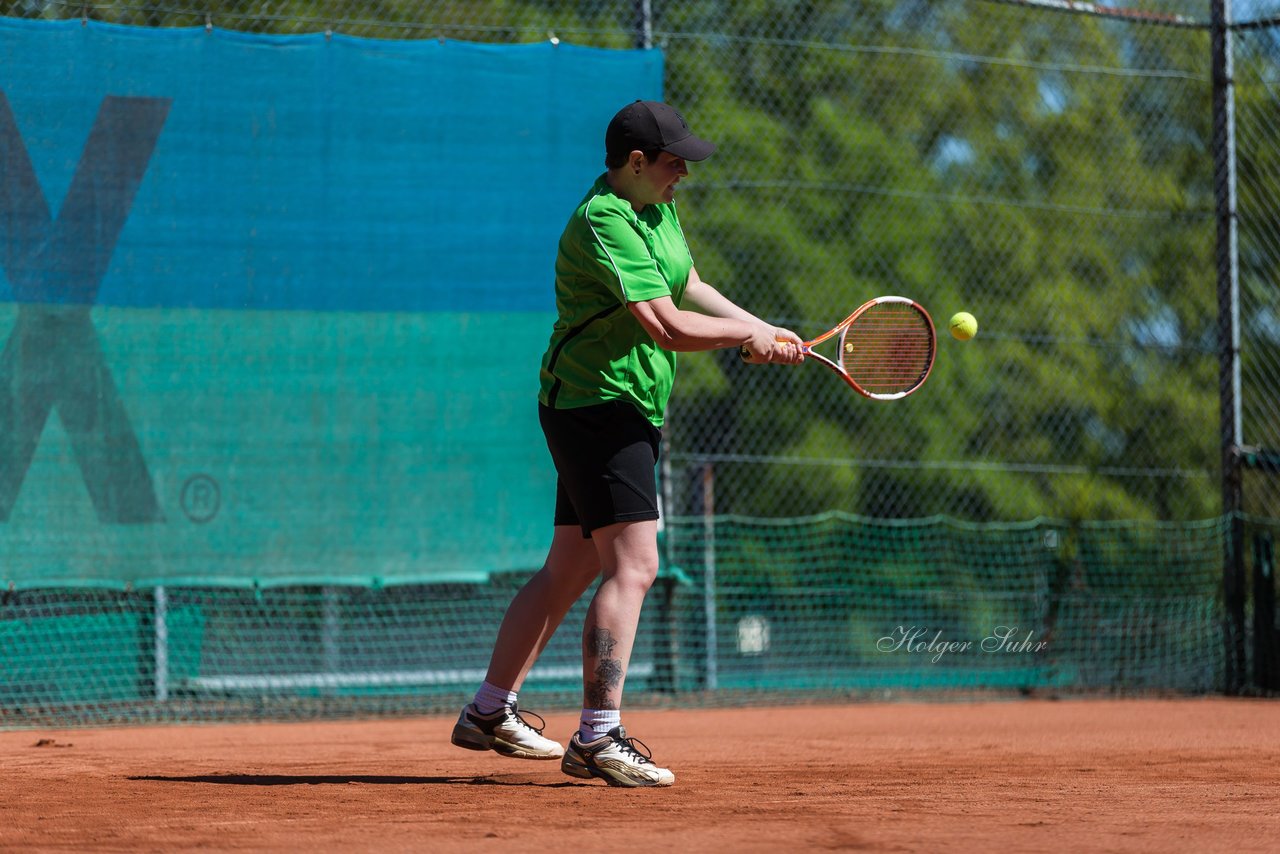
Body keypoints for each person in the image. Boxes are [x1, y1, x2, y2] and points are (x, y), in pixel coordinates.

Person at [451, 100, 803, 787]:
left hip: (624, 404)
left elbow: (689, 285)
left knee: (572, 567)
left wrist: (768, 328)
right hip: (596, 406)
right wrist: (741, 339)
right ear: (636, 164)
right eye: (675, 163)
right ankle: (598, 737)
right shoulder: (603, 220)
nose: (684, 175)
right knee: (635, 565)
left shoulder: (655, 208)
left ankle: (489, 711)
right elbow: (665, 327)